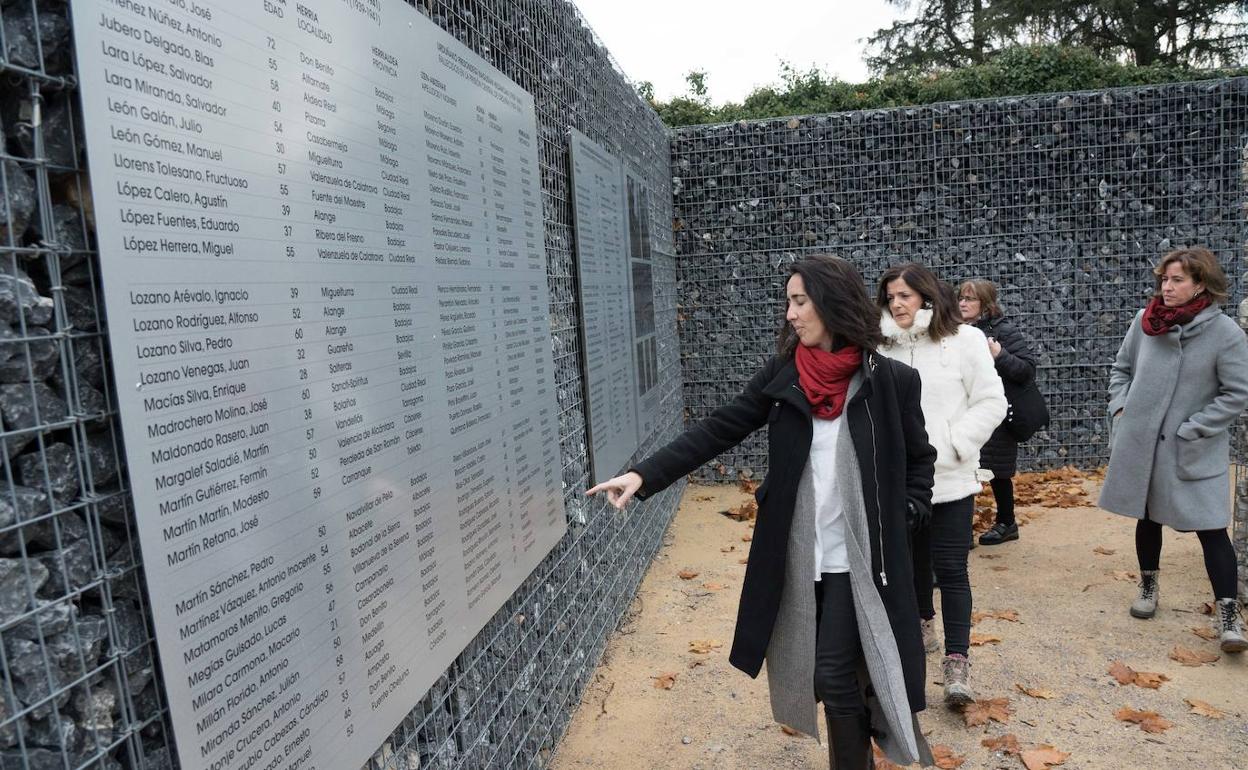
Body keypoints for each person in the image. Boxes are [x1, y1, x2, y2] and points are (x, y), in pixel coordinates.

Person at [588, 255, 937, 769]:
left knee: (832, 673)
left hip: (861, 558)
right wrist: (645, 475)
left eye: (799, 301)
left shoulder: (892, 382)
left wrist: (906, 510)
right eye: (789, 302)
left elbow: (920, 459)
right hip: (799, 553)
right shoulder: (785, 374)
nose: (791, 313)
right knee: (829, 672)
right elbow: (722, 426)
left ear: (831, 303)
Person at [1098, 246, 1248, 653]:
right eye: (1164, 279)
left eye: (1177, 279)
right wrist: (1121, 408)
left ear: (1201, 283)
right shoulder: (1145, 323)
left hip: (1191, 449)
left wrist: (1196, 428)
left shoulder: (1226, 334)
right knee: (1146, 518)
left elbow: (1237, 393)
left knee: (1212, 529)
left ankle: (1229, 615)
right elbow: (1120, 370)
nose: (1167, 286)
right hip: (1142, 444)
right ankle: (1148, 586)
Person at [876, 263, 1007, 706]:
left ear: (928, 298)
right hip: (898, 483)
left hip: (951, 479)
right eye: (890, 296)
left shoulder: (965, 341)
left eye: (906, 296)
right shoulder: (879, 346)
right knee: (909, 570)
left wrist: (954, 445)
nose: (896, 304)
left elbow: (992, 402)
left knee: (951, 570)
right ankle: (920, 628)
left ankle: (957, 663)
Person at [958, 280, 1039, 546]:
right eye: (961, 298)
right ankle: (963, 531)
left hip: (997, 414)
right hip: (964, 410)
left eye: (970, 299)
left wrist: (1000, 354)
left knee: (998, 470)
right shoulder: (954, 331)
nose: (963, 303)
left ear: (985, 303)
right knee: (965, 468)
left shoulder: (1003, 331)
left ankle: (1006, 522)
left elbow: (1026, 370)